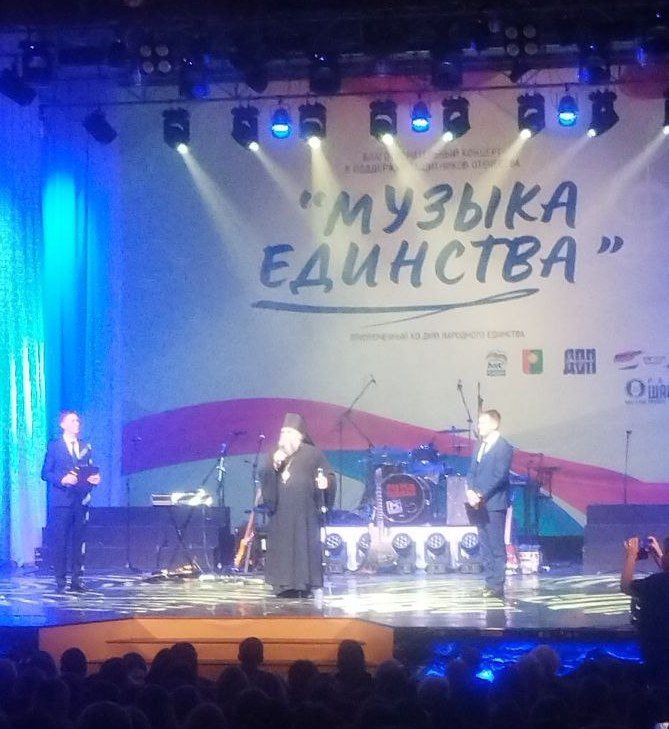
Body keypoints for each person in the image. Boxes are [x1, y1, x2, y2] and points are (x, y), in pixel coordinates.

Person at [259, 413, 336, 598]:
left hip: (305, 512)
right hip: (281, 511)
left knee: (304, 546)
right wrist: (273, 465)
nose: (284, 436)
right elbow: (264, 475)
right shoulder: (275, 453)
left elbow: (329, 475)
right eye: (283, 432)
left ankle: (305, 584)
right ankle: (282, 584)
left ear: (299, 436)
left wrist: (325, 482)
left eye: (289, 432)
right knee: (282, 547)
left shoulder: (313, 454)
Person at [41, 410, 101, 593]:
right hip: (61, 502)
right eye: (73, 421)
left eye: (78, 421)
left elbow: (89, 469)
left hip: (80, 500)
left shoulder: (85, 446)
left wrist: (94, 479)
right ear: (63, 425)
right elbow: (45, 473)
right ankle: (60, 581)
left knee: (79, 541)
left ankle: (77, 580)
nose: (77, 424)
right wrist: (63, 479)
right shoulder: (55, 446)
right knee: (61, 541)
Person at [466, 409, 513, 600]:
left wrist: (481, 493)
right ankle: (489, 582)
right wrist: (470, 490)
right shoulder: (479, 445)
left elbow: (499, 476)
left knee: (495, 545)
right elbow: (472, 471)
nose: (479, 426)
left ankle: (497, 585)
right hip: (477, 503)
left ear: (494, 424)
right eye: (479, 423)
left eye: (483, 423)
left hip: (494, 503)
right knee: (484, 544)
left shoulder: (504, 447)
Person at [620, 535, 669, 679]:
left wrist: (631, 556)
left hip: (657, 648)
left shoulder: (655, 583)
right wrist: (660, 555)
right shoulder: (659, 582)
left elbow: (626, 586)